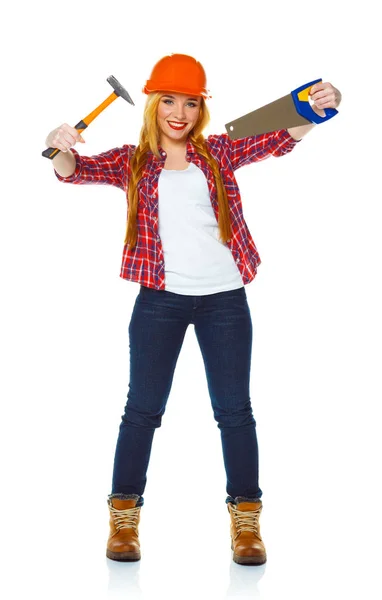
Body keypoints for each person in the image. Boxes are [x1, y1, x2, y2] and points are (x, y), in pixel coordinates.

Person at [46, 53, 342, 565]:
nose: (178, 112)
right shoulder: (132, 160)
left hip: (225, 299)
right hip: (159, 301)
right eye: (168, 101)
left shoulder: (219, 152)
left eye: (189, 102)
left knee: (235, 413)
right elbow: (74, 172)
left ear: (200, 108)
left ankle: (246, 524)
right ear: (153, 104)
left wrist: (317, 109)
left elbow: (279, 138)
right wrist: (58, 146)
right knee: (142, 410)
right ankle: (123, 520)